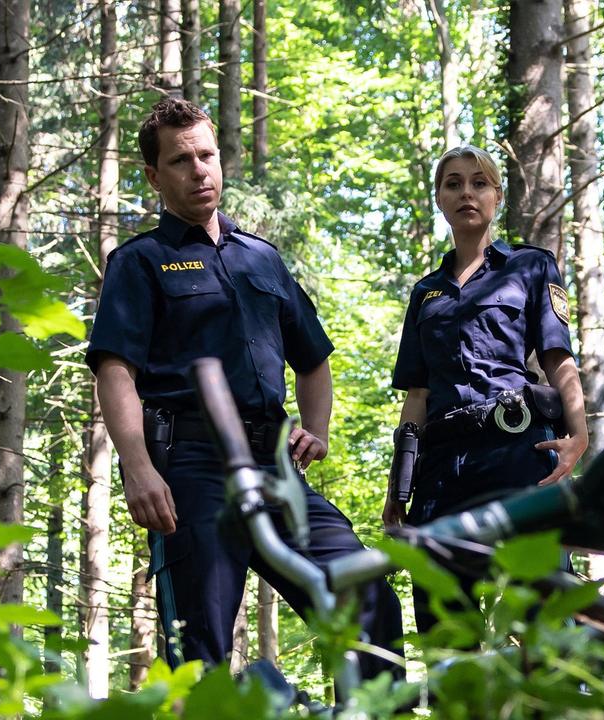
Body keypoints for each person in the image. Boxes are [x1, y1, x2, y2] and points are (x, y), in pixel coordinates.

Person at [86, 98, 402, 678]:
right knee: (200, 645)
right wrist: (137, 468)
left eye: (207, 154)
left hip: (275, 462)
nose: (199, 170)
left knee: (366, 593)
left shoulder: (262, 258)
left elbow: (313, 359)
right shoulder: (140, 262)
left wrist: (319, 430)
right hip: (191, 467)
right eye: (181, 161)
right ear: (155, 177)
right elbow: (115, 371)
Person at [383, 145, 589, 631]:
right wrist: (399, 485)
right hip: (440, 470)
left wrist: (578, 437)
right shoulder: (425, 292)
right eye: (453, 184)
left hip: (516, 451)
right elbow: (417, 395)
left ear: (497, 196)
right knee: (444, 621)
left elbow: (559, 360)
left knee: (542, 613)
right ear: (439, 198)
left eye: (479, 183)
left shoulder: (532, 267)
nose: (466, 193)